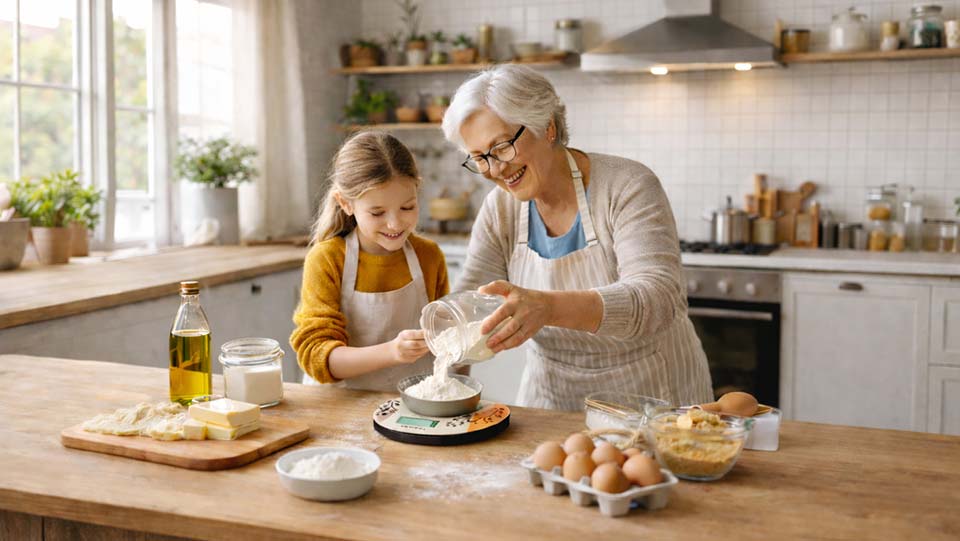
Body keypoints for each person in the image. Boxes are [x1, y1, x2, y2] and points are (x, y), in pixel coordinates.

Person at [440, 64, 712, 410]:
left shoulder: (627, 186)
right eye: (479, 158)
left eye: (502, 147)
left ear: (547, 127)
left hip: (651, 397)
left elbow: (655, 300)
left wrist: (547, 307)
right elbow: (471, 306)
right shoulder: (500, 208)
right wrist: (446, 377)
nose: (495, 169)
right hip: (552, 400)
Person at [290, 131, 449, 390]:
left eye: (407, 207)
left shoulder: (428, 256)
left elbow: (444, 339)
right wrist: (392, 352)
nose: (395, 223)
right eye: (377, 212)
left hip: (411, 409)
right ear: (346, 203)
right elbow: (317, 357)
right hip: (341, 411)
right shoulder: (328, 259)